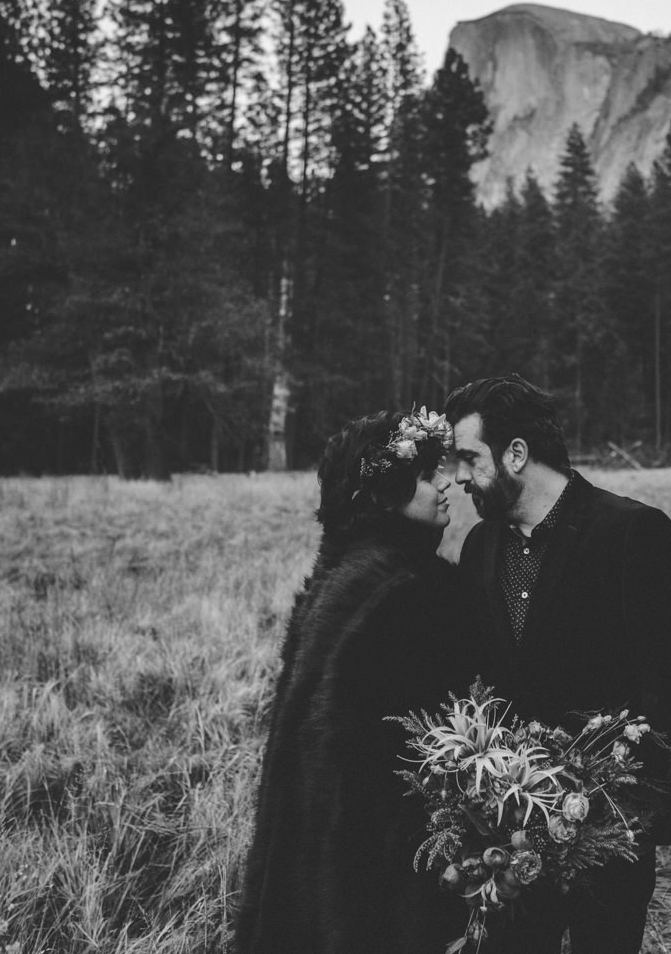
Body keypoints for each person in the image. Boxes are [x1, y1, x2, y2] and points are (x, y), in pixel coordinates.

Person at [444, 374, 671, 954]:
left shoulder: (632, 533)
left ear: (517, 453)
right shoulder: (479, 547)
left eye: (468, 458)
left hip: (608, 838)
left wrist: (631, 822)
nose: (459, 477)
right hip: (505, 840)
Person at [234, 409, 479, 954]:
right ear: (382, 491)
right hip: (375, 862)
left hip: (306, 842)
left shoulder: (337, 579)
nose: (444, 485)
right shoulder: (417, 592)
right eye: (423, 476)